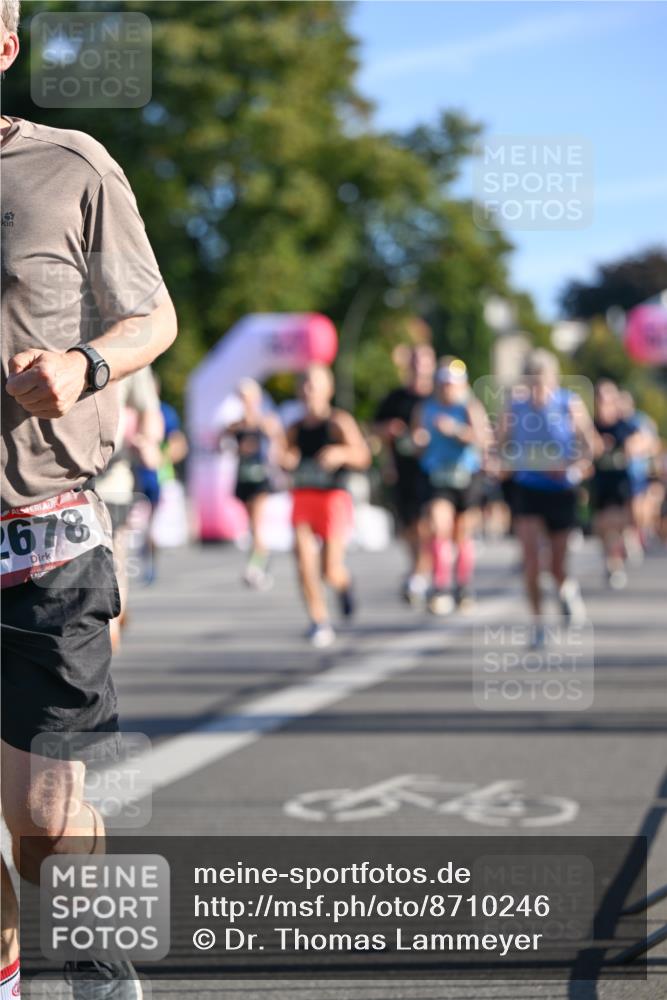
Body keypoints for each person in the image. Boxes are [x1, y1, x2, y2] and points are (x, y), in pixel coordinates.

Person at [0, 4, 178, 995]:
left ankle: (100, 955)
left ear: (6, 47)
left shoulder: (70, 164)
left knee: (47, 821)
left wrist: (83, 362)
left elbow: (155, 314)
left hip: (44, 536)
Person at [498, 350, 597, 644]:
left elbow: (590, 446)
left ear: (553, 379)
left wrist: (573, 467)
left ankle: (567, 591)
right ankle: (538, 624)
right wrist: (498, 463)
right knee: (531, 561)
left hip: (562, 490)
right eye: (532, 381)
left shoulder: (569, 403)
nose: (538, 388)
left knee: (556, 565)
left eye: (543, 381)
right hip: (528, 488)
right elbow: (498, 445)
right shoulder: (515, 407)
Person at [285, 364, 370, 648]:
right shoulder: (295, 427)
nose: (309, 391)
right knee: (303, 560)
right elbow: (283, 456)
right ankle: (318, 620)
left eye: (315, 385)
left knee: (329, 570)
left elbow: (363, 456)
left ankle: (344, 585)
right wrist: (287, 459)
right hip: (303, 497)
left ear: (328, 390)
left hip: (332, 499)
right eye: (305, 385)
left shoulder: (338, 422)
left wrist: (341, 453)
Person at [412, 358, 491, 615]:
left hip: (465, 476)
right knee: (438, 526)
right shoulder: (426, 408)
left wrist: (456, 431)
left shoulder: (469, 406)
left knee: (461, 533)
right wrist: (418, 442)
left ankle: (463, 586)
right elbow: (416, 444)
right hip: (437, 476)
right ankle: (440, 586)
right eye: (444, 383)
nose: (448, 389)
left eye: (452, 384)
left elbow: (482, 438)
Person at [97, 367, 164, 649]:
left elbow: (150, 410)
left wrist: (147, 441)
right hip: (63, 483)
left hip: (113, 483)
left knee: (114, 559)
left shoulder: (125, 342)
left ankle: (111, 628)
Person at [374, 344, 435, 605]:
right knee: (408, 526)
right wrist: (387, 429)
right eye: (414, 361)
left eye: (423, 361)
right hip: (402, 469)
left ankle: (422, 574)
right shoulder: (395, 398)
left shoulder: (437, 397)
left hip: (432, 471)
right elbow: (374, 427)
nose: (418, 366)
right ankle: (418, 569)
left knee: (426, 523)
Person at [224, 378, 285, 590]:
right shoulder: (235, 426)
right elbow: (222, 444)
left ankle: (254, 567)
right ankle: (262, 563)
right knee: (251, 526)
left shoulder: (265, 422)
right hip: (243, 477)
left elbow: (278, 444)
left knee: (258, 524)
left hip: (260, 477)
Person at [592, 381, 643, 589]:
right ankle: (612, 564)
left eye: (608, 399)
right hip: (600, 482)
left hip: (622, 482)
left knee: (616, 522)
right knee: (602, 527)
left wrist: (633, 446)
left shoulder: (624, 423)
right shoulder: (592, 425)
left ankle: (625, 543)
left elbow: (644, 439)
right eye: (600, 399)